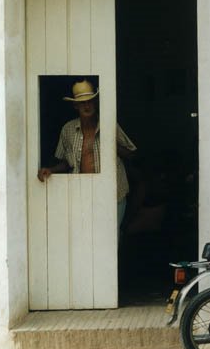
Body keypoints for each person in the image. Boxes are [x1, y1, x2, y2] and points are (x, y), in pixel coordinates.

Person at [37, 79, 137, 236]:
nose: (87, 105)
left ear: (95, 102)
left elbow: (131, 154)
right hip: (82, 193)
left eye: (90, 101)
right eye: (82, 102)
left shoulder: (109, 125)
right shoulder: (68, 129)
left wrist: (111, 143)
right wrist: (50, 170)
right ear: (75, 105)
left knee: (110, 238)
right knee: (85, 237)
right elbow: (65, 162)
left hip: (112, 193)